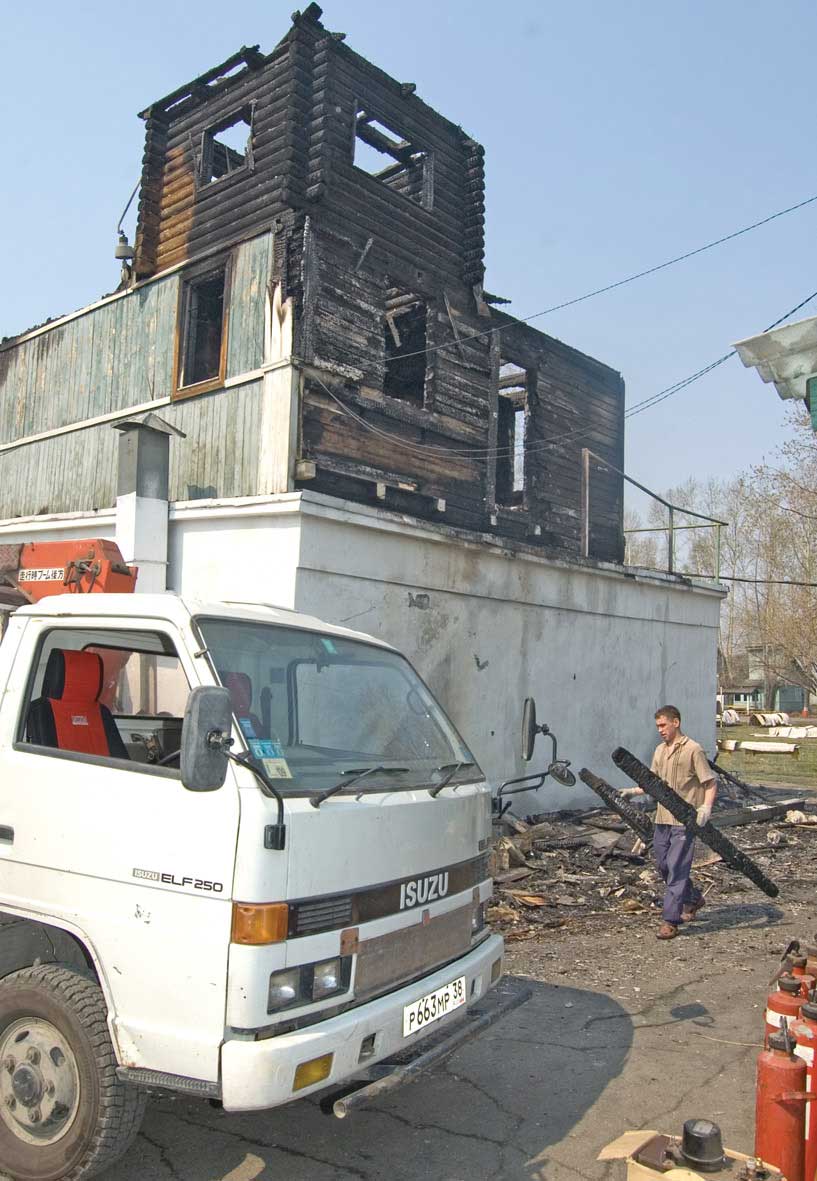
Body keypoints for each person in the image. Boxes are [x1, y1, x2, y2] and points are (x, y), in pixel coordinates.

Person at [621, 705, 716, 941]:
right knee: (663, 865)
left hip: (684, 821)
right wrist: (633, 791)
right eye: (658, 726)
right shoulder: (660, 751)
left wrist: (706, 808)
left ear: (676, 722)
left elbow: (710, 783)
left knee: (677, 868)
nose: (660, 730)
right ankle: (693, 897)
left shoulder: (693, 750)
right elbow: (652, 782)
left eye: (663, 725)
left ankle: (670, 920)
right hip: (662, 818)